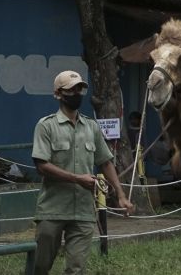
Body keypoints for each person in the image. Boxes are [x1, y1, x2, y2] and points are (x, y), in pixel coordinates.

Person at [32, 71, 134, 275]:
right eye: (71, 90)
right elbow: (42, 165)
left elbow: (105, 162)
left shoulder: (91, 127)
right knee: (40, 267)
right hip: (53, 209)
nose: (77, 93)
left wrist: (121, 195)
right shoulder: (46, 126)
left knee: (76, 269)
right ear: (58, 94)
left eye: (79, 89)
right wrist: (77, 179)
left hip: (83, 212)